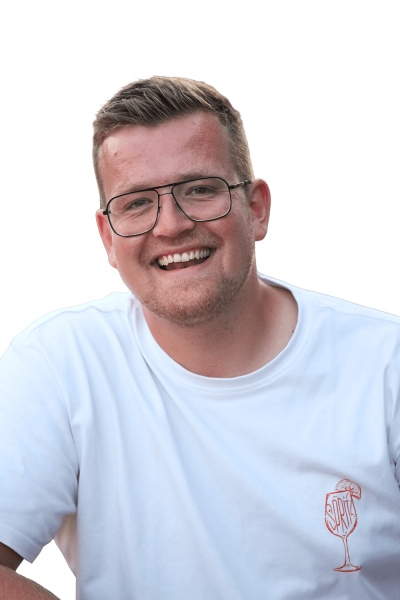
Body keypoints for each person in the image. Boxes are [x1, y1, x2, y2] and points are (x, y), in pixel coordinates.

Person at [0, 76, 399, 600]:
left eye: (200, 190)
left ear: (257, 208)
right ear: (107, 237)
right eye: (137, 203)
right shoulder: (60, 362)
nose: (170, 226)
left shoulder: (386, 361)